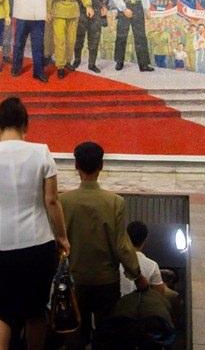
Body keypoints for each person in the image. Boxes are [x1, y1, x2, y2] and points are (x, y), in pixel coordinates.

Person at [0, 97, 70, 350]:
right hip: (38, 242)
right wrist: (62, 237)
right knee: (35, 311)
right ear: (26, 125)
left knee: (1, 311)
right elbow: (52, 201)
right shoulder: (42, 152)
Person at [59, 142, 147, 350]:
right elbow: (121, 245)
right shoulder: (115, 202)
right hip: (106, 281)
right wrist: (137, 275)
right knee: (107, 337)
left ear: (76, 166)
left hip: (75, 281)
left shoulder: (63, 201)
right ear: (101, 165)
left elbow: (58, 242)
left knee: (75, 336)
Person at [46, 0, 93, 79]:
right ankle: (60, 66)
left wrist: (88, 6)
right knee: (60, 40)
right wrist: (48, 11)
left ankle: (67, 61)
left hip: (73, 10)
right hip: (59, 11)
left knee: (71, 40)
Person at [111, 0, 153, 72]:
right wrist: (124, 8)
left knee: (140, 36)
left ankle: (143, 64)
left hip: (138, 7)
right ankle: (119, 61)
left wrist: (146, 9)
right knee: (121, 35)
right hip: (124, 7)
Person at [73, 0, 109, 72]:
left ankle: (92, 64)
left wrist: (104, 6)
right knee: (78, 38)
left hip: (96, 13)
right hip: (81, 13)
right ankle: (77, 60)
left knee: (94, 39)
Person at [119, 221, 166, 297]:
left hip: (118, 304)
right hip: (141, 304)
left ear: (126, 237)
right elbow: (159, 294)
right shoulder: (152, 265)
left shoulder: (116, 261)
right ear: (145, 240)